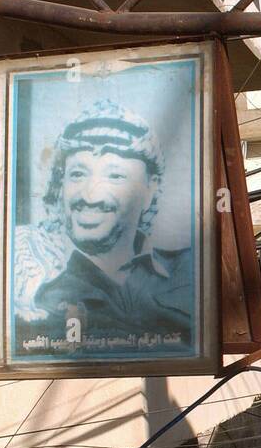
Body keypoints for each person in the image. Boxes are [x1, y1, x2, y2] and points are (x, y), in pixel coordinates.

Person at [25, 100, 193, 342]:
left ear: (150, 188)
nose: (90, 196)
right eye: (77, 174)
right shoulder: (45, 300)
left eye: (115, 175)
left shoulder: (190, 270)